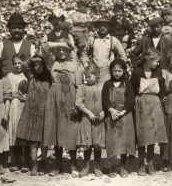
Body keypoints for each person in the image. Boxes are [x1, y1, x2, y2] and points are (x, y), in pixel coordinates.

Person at [41, 39, 84, 176]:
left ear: (69, 51)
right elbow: (44, 46)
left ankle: (73, 164)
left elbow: (79, 86)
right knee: (55, 132)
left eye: (64, 49)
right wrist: (58, 44)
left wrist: (77, 105)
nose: (61, 52)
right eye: (59, 49)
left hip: (70, 99)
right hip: (54, 99)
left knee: (71, 131)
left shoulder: (75, 65)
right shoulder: (52, 62)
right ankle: (57, 165)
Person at [130, 49, 168, 176]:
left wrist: (163, 97)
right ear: (149, 60)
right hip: (140, 103)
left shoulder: (157, 72)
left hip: (154, 104)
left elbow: (162, 88)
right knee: (142, 134)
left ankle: (150, 164)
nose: (158, 63)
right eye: (156, 61)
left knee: (152, 135)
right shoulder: (137, 72)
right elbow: (131, 90)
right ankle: (141, 164)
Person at [15, 55, 52, 176]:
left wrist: (44, 58)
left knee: (44, 139)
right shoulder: (31, 76)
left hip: (45, 111)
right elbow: (24, 65)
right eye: (35, 65)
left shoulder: (49, 78)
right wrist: (36, 57)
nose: (37, 67)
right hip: (31, 111)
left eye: (40, 65)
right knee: (33, 140)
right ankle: (34, 163)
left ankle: (43, 162)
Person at [102, 59, 136, 178]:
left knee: (124, 141)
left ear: (124, 71)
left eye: (119, 71)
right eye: (114, 71)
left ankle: (122, 166)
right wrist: (110, 109)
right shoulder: (107, 84)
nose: (117, 73)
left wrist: (123, 112)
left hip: (125, 115)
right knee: (112, 141)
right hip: (111, 115)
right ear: (111, 71)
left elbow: (131, 99)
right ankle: (113, 166)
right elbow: (105, 98)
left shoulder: (127, 83)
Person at [76, 63, 105, 178]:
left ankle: (97, 166)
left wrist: (104, 112)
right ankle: (86, 166)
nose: (87, 79)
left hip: (99, 120)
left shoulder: (102, 87)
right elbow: (78, 103)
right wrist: (89, 113)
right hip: (87, 119)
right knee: (87, 143)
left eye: (89, 76)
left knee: (97, 143)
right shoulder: (83, 87)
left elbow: (107, 101)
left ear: (97, 75)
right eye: (86, 77)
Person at [83, 17, 127, 83]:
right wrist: (86, 65)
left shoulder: (113, 40)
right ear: (97, 27)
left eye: (105, 26)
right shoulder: (92, 39)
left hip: (107, 71)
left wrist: (118, 67)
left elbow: (122, 55)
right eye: (100, 25)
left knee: (105, 90)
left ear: (109, 27)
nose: (102, 27)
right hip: (93, 70)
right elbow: (84, 52)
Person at [7, 54, 28, 173]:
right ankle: (16, 160)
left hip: (24, 106)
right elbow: (7, 90)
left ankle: (27, 161)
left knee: (24, 132)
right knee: (14, 132)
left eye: (20, 63)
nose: (17, 65)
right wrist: (13, 94)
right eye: (15, 63)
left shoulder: (28, 76)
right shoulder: (10, 76)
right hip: (14, 106)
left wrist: (24, 96)